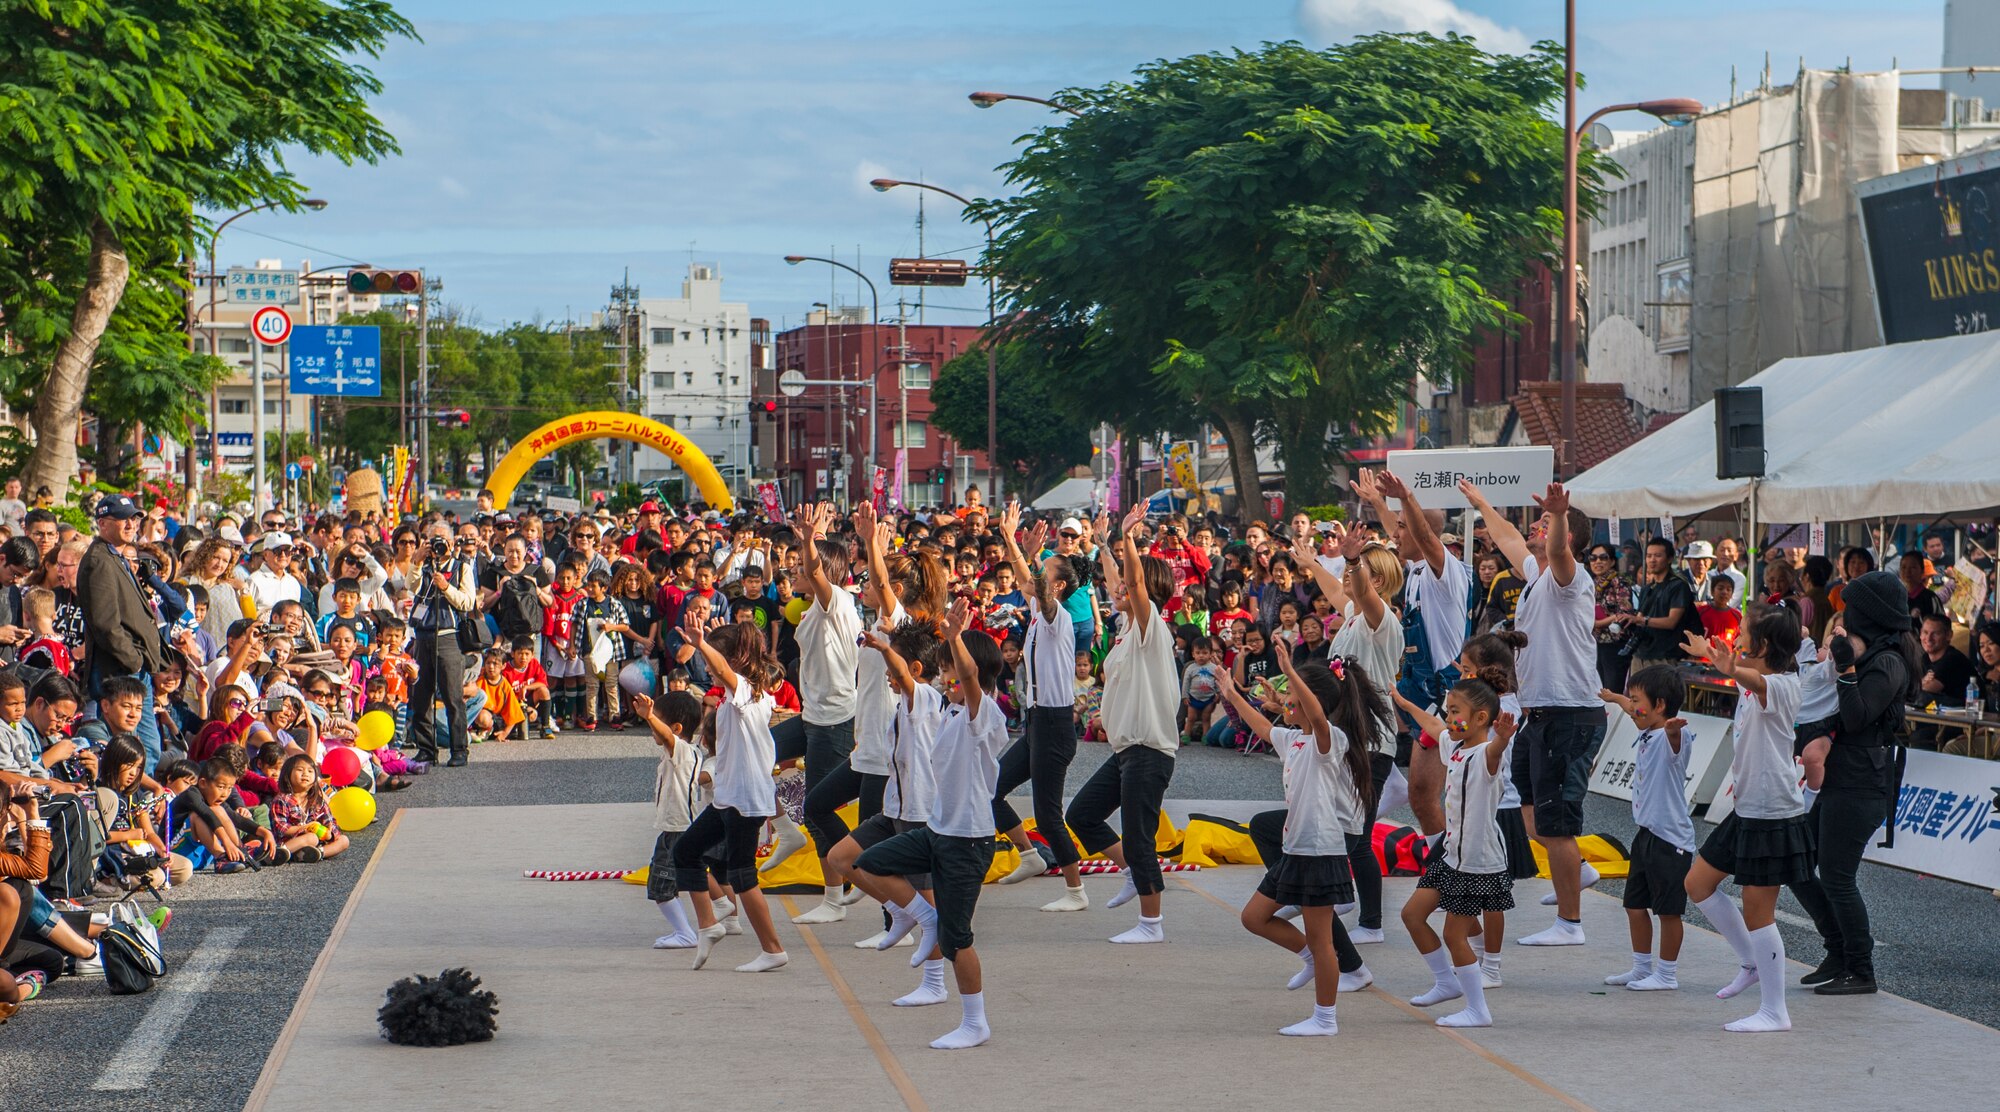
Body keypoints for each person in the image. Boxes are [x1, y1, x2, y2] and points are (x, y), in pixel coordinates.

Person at [854, 599, 1008, 1050]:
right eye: (942, 669)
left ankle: (975, 1021)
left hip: (969, 841)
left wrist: (957, 637)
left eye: (951, 671)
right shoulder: (949, 711)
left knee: (959, 941)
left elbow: (972, 681)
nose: (945, 678)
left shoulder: (987, 716)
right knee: (869, 862)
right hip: (938, 831)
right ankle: (926, 920)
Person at [1460, 479, 1603, 947]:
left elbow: (1559, 550)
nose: (1536, 528)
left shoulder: (1570, 578)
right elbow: (1507, 538)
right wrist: (1482, 503)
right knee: (1530, 819)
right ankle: (1577, 873)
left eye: (1545, 524)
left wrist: (1559, 515)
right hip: (1536, 712)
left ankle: (1570, 923)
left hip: (1570, 712)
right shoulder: (1535, 574)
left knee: (1556, 824)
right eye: (1540, 521)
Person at [1227, 651, 1384, 1036]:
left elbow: (1316, 715)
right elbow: (1263, 728)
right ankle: (1309, 958)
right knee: (1254, 917)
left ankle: (1325, 1018)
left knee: (1322, 939)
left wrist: (1291, 673)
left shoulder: (1330, 742)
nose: (1286, 704)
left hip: (1321, 852)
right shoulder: (1294, 740)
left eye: (1293, 699)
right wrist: (1231, 693)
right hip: (1295, 851)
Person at [1680, 609, 1812, 1031]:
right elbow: (1750, 679)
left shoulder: (1785, 685)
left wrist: (1731, 667)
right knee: (1697, 884)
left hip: (1772, 814)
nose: (1735, 640)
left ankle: (1775, 1011)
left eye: (1744, 636)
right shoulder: (1752, 678)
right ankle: (1751, 963)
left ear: (1764, 647)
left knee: (1760, 913)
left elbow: (1759, 682)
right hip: (1747, 810)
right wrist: (1723, 661)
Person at [1788, 570, 1913, 996]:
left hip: (1862, 781)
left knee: (1838, 876)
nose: (1845, 612)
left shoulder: (1888, 661)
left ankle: (1860, 968)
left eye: (1853, 606)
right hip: (1841, 776)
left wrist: (1844, 667)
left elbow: (1859, 715)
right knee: (1799, 860)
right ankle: (1837, 949)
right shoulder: (1868, 652)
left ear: (1870, 614)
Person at [1065, 506, 1179, 944]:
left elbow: (1131, 583)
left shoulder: (1154, 630)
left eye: (1130, 587)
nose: (1117, 590)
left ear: (1146, 592)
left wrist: (1128, 541)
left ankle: (1152, 923)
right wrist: (1101, 544)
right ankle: (1132, 871)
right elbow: (1119, 582)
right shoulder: (1129, 627)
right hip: (1125, 751)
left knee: (1140, 835)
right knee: (1082, 814)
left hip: (1149, 752)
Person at [1354, 469, 1471, 843]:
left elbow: (1421, 534)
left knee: (1433, 796)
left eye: (1403, 527)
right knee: (1424, 797)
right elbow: (1407, 534)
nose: (1394, 533)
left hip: (1448, 700)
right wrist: (1377, 501)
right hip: (1426, 696)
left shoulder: (1446, 571)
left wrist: (1406, 498)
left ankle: (1450, 869)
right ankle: (1445, 865)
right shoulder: (1417, 570)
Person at [669, 616, 788, 973]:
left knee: (742, 874)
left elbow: (722, 668)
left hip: (745, 798)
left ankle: (773, 948)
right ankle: (710, 924)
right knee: (686, 851)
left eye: (712, 659)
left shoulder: (747, 693)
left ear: (735, 660)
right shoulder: (735, 694)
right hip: (729, 795)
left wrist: (703, 642)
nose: (706, 666)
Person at [1299, 522, 1401, 941]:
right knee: (1336, 824)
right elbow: (1338, 592)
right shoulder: (1353, 618)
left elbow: (1357, 593)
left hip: (1372, 745)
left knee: (1357, 836)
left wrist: (1354, 560)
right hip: (1347, 741)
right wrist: (1311, 563)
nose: (1344, 576)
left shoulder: (1382, 621)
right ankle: (1339, 896)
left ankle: (1371, 924)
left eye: (1356, 572)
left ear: (1375, 581)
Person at [1395, 680, 1516, 1028]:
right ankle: (1446, 982)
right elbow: (1432, 726)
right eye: (1448, 711)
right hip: (1451, 857)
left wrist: (1503, 739)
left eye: (1455, 712)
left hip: (1478, 864)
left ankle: (1478, 1010)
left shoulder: (1485, 754)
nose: (1448, 719)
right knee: (1412, 915)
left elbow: (1494, 752)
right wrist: (1405, 702)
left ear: (1480, 718)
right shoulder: (1456, 745)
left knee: (1454, 935)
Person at [831, 620, 946, 964]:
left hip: (919, 814)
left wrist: (883, 648)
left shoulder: (923, 698)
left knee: (929, 904)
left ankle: (936, 977)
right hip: (895, 809)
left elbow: (907, 680)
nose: (887, 674)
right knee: (842, 858)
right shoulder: (905, 703)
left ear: (913, 669)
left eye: (892, 667)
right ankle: (899, 910)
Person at [989, 504, 1087, 908]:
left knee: (1049, 815)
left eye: (1045, 573)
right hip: (1036, 723)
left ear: (1059, 588)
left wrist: (1028, 551)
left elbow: (1042, 593)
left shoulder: (1057, 617)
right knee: (990, 789)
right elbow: (1033, 587)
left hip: (1055, 725)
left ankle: (1075, 890)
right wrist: (1012, 542)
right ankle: (1029, 855)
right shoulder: (1036, 613)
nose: (1035, 578)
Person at [788, 502, 865, 926]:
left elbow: (817, 573)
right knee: (753, 751)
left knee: (817, 809)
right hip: (810, 716)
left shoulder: (837, 605)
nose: (795, 572)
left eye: (799, 565)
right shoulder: (816, 609)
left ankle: (841, 888)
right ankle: (783, 833)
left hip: (833, 721)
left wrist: (810, 538)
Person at [1599, 666, 1696, 992]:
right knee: (1634, 905)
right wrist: (1614, 697)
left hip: (1670, 839)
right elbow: (1631, 707)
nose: (1632, 707)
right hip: (1647, 833)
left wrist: (1673, 731)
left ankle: (1666, 974)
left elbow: (1675, 738)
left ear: (1660, 705)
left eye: (1638, 701)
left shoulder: (1674, 737)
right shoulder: (1647, 723)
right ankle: (1641, 968)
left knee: (1668, 911)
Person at [78, 494, 166, 772]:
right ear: (103, 523)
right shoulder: (99, 560)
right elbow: (105, 623)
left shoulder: (113, 555)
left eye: (134, 518)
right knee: (132, 751)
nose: (131, 524)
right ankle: (133, 805)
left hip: (132, 669)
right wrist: (134, 659)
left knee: (147, 749)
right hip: (120, 670)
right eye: (122, 519)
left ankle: (145, 805)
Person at [633, 688, 707, 950]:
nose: (652, 729)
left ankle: (685, 933)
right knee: (689, 876)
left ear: (675, 728)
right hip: (678, 828)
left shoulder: (683, 751)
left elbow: (667, 737)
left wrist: (650, 717)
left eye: (658, 723)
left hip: (677, 829)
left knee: (660, 885)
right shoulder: (686, 751)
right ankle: (717, 912)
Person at [406, 523, 479, 768]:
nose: (438, 545)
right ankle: (426, 749)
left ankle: (459, 749)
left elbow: (467, 602)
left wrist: (446, 587)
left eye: (442, 540)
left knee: (452, 696)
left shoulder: (461, 568)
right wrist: (416, 562)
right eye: (433, 540)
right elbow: (411, 588)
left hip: (449, 636)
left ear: (452, 543)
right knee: (420, 696)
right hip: (423, 636)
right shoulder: (423, 567)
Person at [1625, 538, 1692, 672]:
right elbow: (1639, 618)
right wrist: (1627, 618)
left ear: (1669, 559)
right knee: (1634, 693)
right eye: (1649, 556)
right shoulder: (1647, 588)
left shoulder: (1678, 586)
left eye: (1658, 555)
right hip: (1641, 654)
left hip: (1664, 656)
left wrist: (1641, 620)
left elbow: (1671, 622)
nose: (1652, 560)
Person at [1587, 543, 1635, 692]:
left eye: (1603, 557)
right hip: (1595, 643)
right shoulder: (1590, 583)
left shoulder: (1619, 582)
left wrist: (1599, 622)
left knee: (1612, 690)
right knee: (1597, 690)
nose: (1597, 562)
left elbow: (1624, 612)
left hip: (1615, 644)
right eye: (1593, 558)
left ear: (1612, 561)